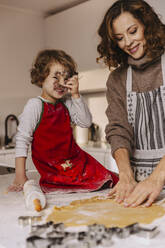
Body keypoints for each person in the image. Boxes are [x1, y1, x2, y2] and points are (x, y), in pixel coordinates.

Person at [8, 49, 118, 193]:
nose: (61, 83)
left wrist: (76, 95)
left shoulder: (66, 102)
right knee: (69, 185)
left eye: (66, 78)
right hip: (53, 166)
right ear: (41, 78)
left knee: (109, 179)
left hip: (76, 159)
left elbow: (85, 122)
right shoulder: (35, 105)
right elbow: (22, 140)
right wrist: (20, 176)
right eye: (56, 77)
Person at [97, 0, 165, 207]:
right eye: (119, 38)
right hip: (140, 186)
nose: (127, 42)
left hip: (154, 181)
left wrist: (157, 178)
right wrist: (125, 175)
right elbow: (118, 129)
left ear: (147, 25)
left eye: (133, 31)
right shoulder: (117, 79)